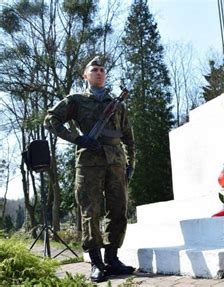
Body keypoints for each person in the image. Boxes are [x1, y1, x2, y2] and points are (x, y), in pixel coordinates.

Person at [44, 56, 135, 282]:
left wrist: (131, 164)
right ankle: (96, 263)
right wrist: (77, 139)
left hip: (116, 163)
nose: (99, 72)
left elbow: (129, 137)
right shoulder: (76, 100)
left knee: (118, 210)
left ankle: (112, 259)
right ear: (85, 76)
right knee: (90, 212)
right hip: (88, 163)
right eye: (94, 70)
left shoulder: (118, 104)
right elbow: (51, 119)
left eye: (102, 70)